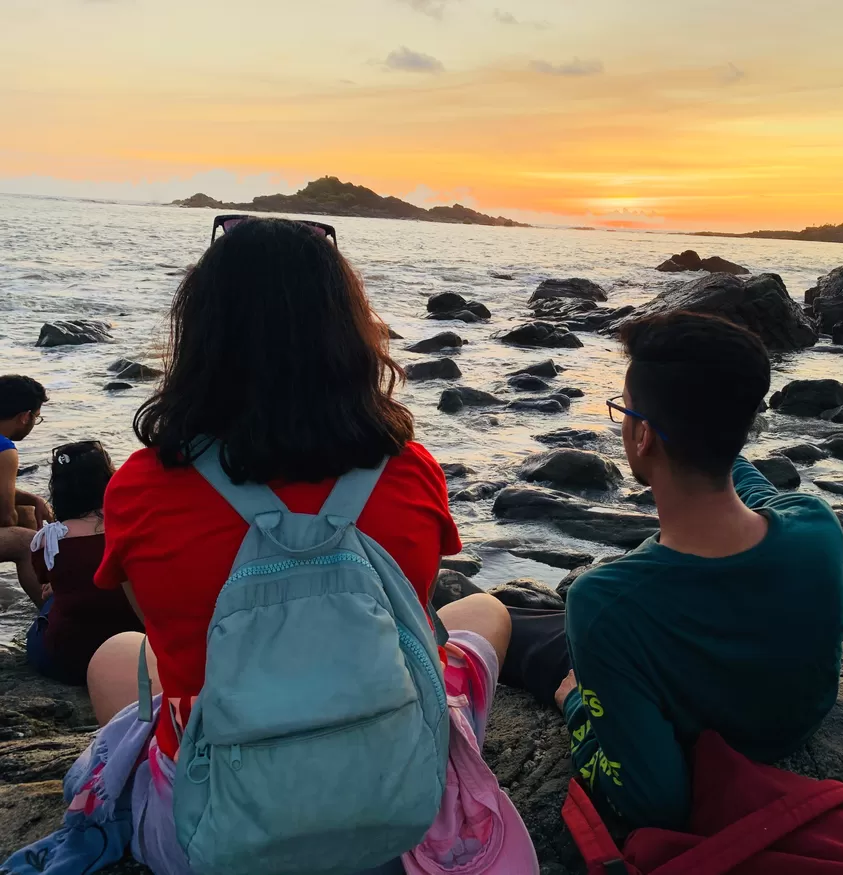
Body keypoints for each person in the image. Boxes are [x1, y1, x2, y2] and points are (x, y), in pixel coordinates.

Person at [2, 218, 534, 875]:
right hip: (392, 798)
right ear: (350, 331)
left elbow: (164, 636)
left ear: (200, 334)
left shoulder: (140, 486)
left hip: (213, 827)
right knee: (484, 613)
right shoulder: (413, 468)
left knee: (121, 654)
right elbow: (413, 622)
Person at [503, 312, 843, 831]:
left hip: (670, 703)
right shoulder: (818, 528)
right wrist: (716, 431)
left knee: (504, 620)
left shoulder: (605, 602)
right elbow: (754, 490)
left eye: (623, 411)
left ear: (642, 436)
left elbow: (652, 803)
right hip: (791, 731)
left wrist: (574, 702)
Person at [26, 441, 143, 684]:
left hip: (70, 661)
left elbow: (44, 578)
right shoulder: (131, 525)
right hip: (131, 650)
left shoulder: (51, 539)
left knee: (51, 601)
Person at [0, 375, 50, 605]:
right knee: (26, 542)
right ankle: (53, 613)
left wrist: (33, 499)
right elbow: (5, 516)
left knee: (28, 512)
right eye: (36, 418)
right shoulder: (4, 449)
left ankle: (39, 590)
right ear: (24, 416)